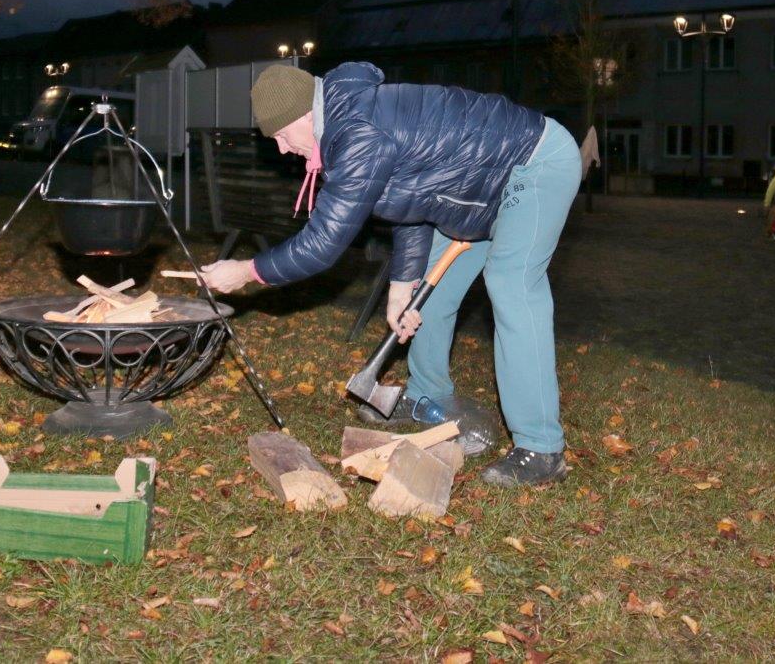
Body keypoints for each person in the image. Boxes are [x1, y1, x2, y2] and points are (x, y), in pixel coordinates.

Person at [199, 62, 582, 487]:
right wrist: (402, 287)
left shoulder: (357, 133)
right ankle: (426, 396)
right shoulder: (348, 122)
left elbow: (323, 244)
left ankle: (541, 448)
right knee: (428, 293)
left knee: (511, 283)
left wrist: (247, 270)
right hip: (475, 189)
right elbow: (411, 199)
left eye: (283, 136)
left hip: (535, 163)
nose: (284, 149)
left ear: (306, 114)